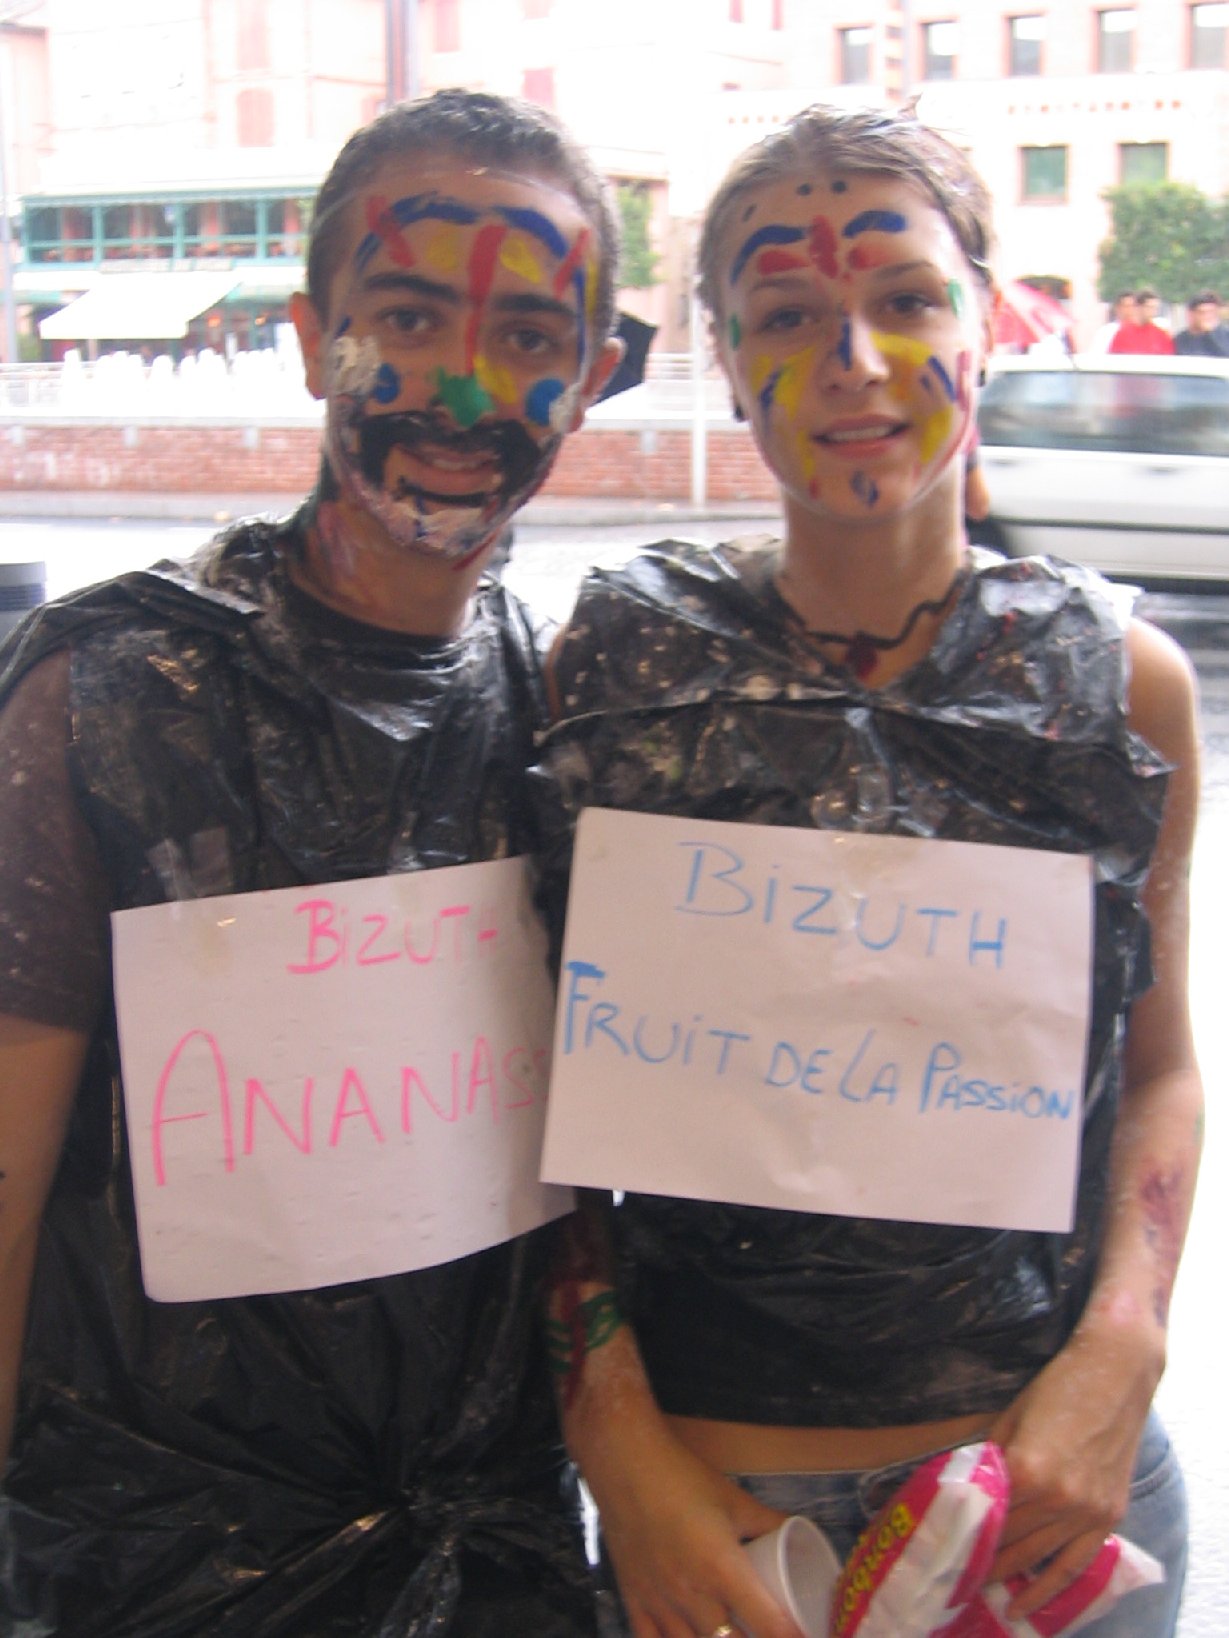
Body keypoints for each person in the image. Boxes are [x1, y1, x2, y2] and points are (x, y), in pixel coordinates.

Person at [537, 103, 1202, 1638]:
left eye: (905, 298)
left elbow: (1160, 1066)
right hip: (714, 1528)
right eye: (786, 314)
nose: (852, 357)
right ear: (724, 357)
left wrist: (1126, 1344)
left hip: (1038, 1507)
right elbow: (540, 1095)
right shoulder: (619, 664)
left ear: (987, 319)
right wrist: (614, 1441)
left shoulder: (1120, 683)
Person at [0, 88, 621, 1636]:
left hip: (494, 1550)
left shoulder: (567, 708)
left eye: (528, 336)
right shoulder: (108, 692)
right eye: (406, 317)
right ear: (308, 337)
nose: (462, 388)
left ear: (595, 375)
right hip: (160, 1563)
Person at [1109, 289, 1175, 355]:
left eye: (1155, 308)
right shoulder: (1123, 334)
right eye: (1149, 307)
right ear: (1139, 307)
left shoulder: (1161, 335)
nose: (1153, 312)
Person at [1172, 291, 1229, 358]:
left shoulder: (1226, 336)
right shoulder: (1180, 340)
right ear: (1191, 314)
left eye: (1212, 312)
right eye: (1203, 313)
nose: (1208, 316)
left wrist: (1212, 333)